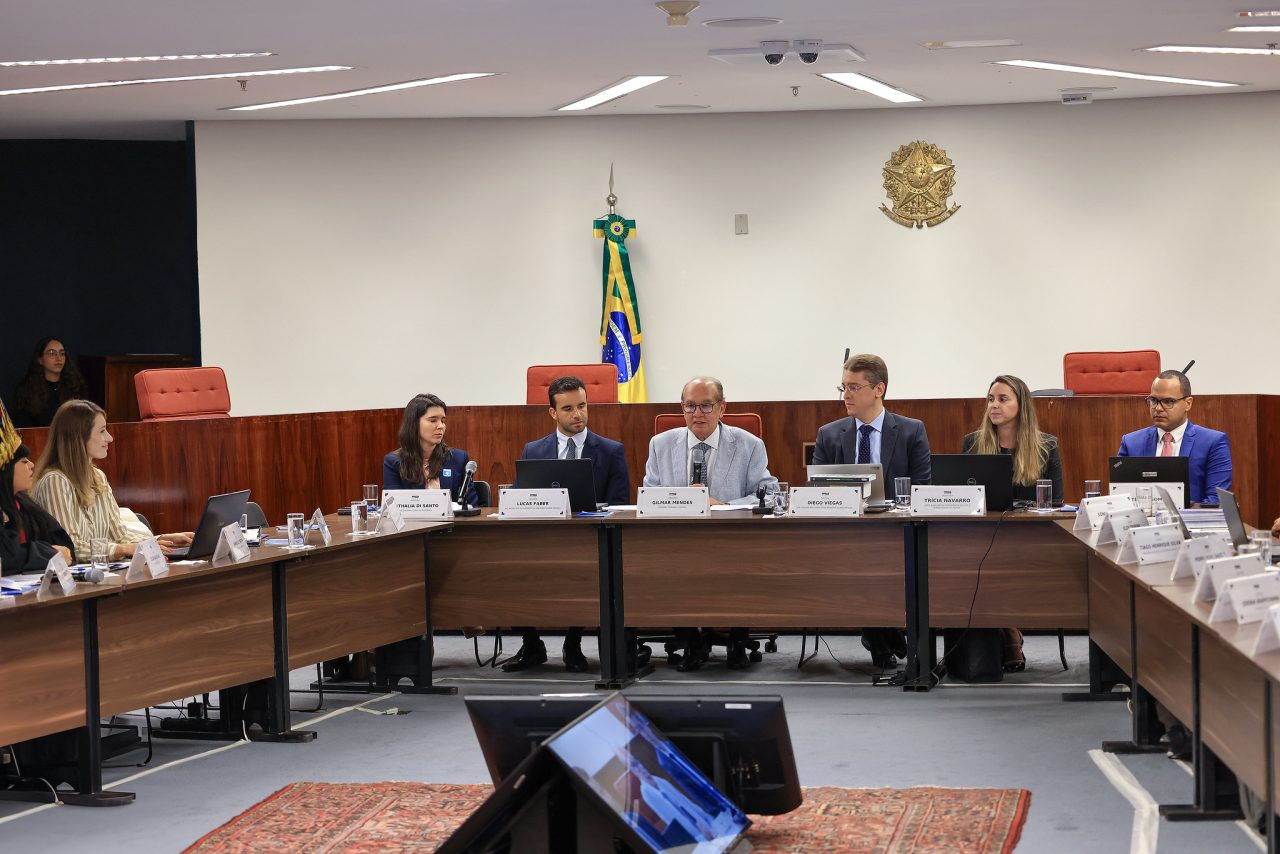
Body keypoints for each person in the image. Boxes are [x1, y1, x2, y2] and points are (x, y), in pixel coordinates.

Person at [643, 376, 776, 670]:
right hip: (676, 541)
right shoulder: (661, 444)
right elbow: (649, 495)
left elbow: (768, 494)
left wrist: (724, 505)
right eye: (690, 406)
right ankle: (691, 641)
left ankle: (737, 640)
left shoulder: (749, 445)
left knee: (740, 565)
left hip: (731, 541)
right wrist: (681, 501)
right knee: (666, 565)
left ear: (722, 408)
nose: (697, 414)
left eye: (706, 406)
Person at [502, 375, 631, 673]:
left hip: (591, 539)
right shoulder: (533, 451)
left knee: (585, 570)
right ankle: (531, 644)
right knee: (509, 566)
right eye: (568, 408)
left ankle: (573, 642)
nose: (577, 414)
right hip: (542, 539)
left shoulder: (611, 450)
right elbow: (520, 500)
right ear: (553, 412)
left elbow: (620, 505)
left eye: (582, 406)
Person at [812, 353, 931, 669]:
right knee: (856, 559)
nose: (846, 395)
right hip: (845, 533)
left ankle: (879, 637)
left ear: (879, 389)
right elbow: (817, 491)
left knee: (875, 561)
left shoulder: (911, 431)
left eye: (854, 387)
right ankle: (885, 636)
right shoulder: (829, 434)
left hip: (896, 532)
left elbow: (922, 488)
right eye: (844, 387)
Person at [961, 374, 1063, 672]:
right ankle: (1009, 634)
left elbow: (1056, 500)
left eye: (1003, 399)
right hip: (984, 536)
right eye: (990, 399)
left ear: (1022, 406)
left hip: (1030, 537)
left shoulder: (1046, 445)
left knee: (1002, 562)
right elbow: (965, 495)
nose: (994, 405)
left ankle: (1008, 634)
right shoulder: (973, 443)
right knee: (980, 561)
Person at [32, 401, 195, 562]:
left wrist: (162, 540)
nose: (109, 438)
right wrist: (123, 549)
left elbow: (119, 535)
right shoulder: (54, 481)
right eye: (102, 431)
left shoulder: (98, 476)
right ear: (79, 436)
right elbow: (70, 548)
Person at [1117, 370, 1231, 507]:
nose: (1158, 408)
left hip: (1191, 520)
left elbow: (1216, 500)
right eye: (1153, 400)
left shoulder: (1213, 442)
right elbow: (1119, 497)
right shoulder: (1131, 443)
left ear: (1188, 403)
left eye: (1168, 401)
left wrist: (1177, 514)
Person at [0, 399, 74, 573]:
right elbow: (7, 557)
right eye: (24, 461)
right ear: (6, 470)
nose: (32, 465)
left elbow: (67, 549)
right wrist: (49, 553)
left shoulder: (26, 504)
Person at [382, 393, 478, 506]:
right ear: (414, 424)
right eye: (433, 420)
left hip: (453, 518)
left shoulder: (459, 458)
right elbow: (392, 508)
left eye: (443, 421)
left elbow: (471, 506)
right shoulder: (394, 462)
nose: (441, 426)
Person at [11, 336, 90, 428]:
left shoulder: (76, 387)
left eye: (62, 353)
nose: (59, 358)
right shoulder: (26, 391)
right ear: (40, 359)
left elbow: (84, 422)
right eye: (52, 353)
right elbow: (24, 428)